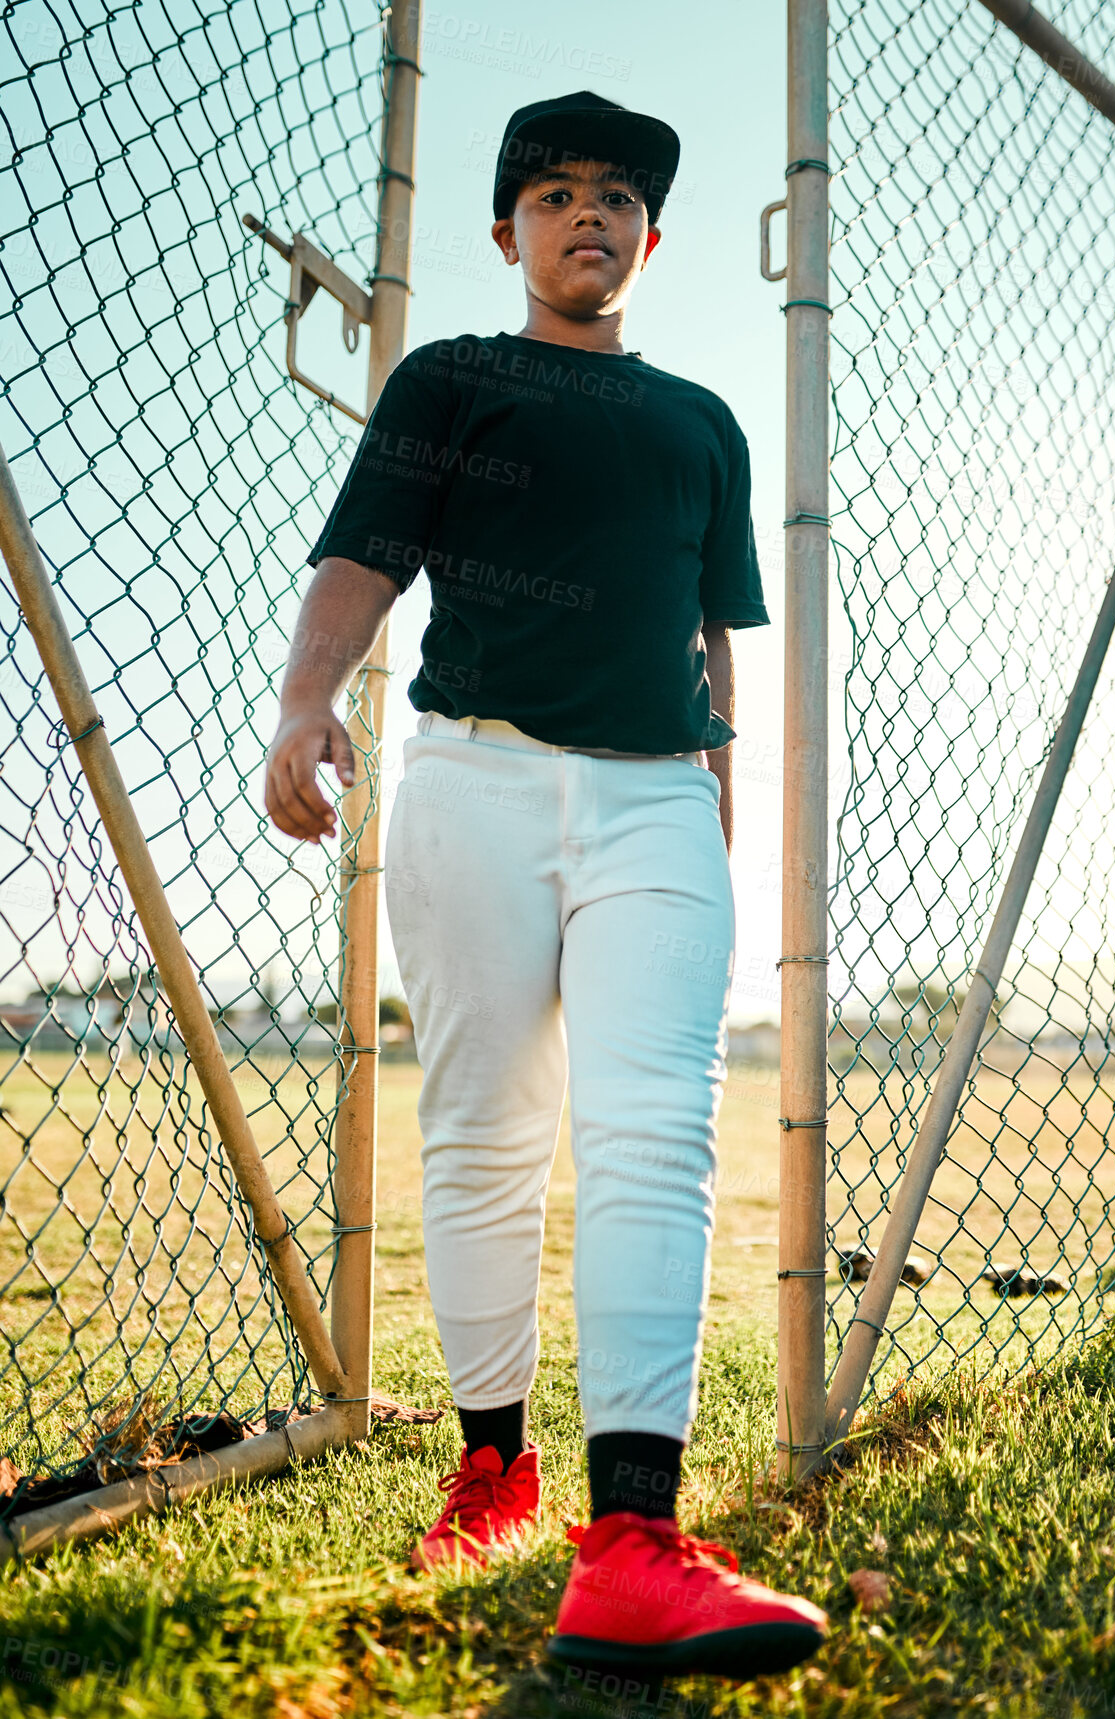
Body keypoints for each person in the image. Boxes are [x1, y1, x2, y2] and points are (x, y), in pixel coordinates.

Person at [264, 89, 828, 1681]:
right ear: (506, 229)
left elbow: (714, 637)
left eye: (617, 198)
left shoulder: (702, 422)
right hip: (476, 779)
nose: (589, 215)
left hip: (656, 796)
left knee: (655, 1132)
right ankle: (493, 1468)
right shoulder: (453, 382)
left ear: (655, 237)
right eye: (555, 192)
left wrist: (714, 803)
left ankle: (635, 1538)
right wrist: (309, 702)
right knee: (485, 1126)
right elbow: (364, 559)